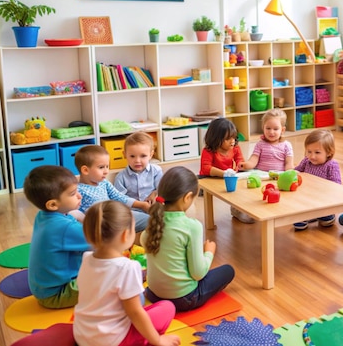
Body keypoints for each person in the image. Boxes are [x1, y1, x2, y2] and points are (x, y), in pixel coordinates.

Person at [73, 201, 181, 346]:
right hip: (112, 340)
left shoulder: (86, 258)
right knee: (167, 307)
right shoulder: (127, 267)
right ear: (125, 235)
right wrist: (158, 340)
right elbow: (135, 313)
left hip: (82, 335)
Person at [142, 166, 235, 312]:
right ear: (187, 197)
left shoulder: (153, 221)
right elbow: (198, 274)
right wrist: (209, 252)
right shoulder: (192, 226)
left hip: (154, 295)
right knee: (228, 271)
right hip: (184, 299)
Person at [23, 165, 91, 309]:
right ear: (53, 204)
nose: (79, 195)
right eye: (73, 194)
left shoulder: (43, 215)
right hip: (58, 294)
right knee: (111, 274)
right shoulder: (64, 228)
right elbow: (101, 241)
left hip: (43, 290)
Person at [70, 145, 150, 233]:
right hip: (102, 226)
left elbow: (120, 197)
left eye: (107, 166)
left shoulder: (104, 183)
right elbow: (75, 214)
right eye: (101, 167)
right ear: (85, 170)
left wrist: (142, 205)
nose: (106, 171)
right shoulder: (78, 190)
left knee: (149, 220)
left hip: (117, 217)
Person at [199, 118, 250, 223]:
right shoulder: (208, 150)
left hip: (228, 176)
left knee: (239, 188)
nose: (232, 141)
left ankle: (237, 210)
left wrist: (241, 166)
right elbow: (206, 168)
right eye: (228, 139)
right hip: (210, 177)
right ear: (216, 139)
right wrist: (224, 173)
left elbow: (240, 160)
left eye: (234, 137)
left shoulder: (235, 148)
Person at [292, 129, 341, 230]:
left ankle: (324, 214)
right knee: (298, 223)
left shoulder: (331, 165)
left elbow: (337, 185)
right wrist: (293, 173)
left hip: (323, 199)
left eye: (317, 152)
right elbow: (296, 171)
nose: (312, 156)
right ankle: (306, 215)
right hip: (306, 197)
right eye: (309, 151)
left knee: (326, 221)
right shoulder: (306, 161)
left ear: (329, 152)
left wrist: (323, 188)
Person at [114, 131, 163, 204]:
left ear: (151, 155)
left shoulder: (156, 171)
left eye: (143, 156)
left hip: (153, 206)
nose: (137, 161)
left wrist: (154, 194)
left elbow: (162, 190)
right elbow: (118, 198)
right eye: (132, 156)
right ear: (125, 155)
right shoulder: (121, 177)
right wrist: (138, 205)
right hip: (133, 210)